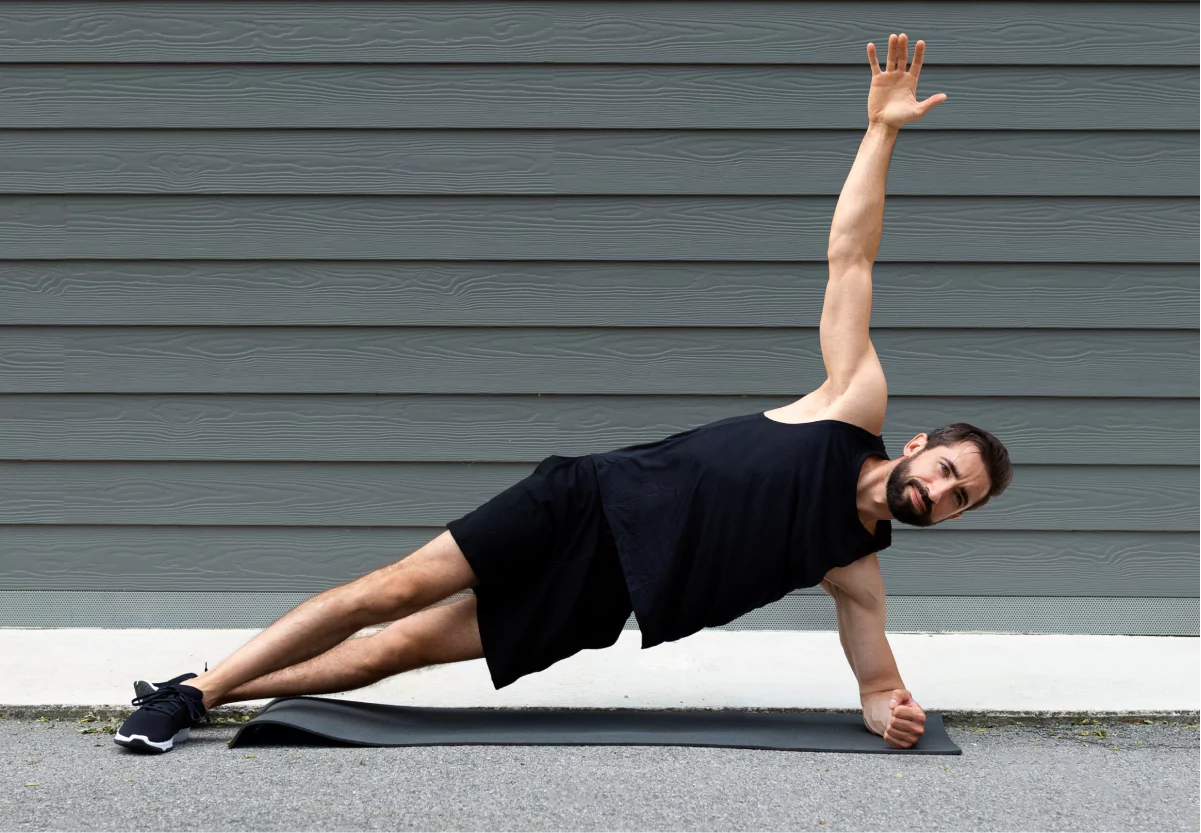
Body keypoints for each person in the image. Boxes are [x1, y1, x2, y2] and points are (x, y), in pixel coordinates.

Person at [116, 33, 1011, 754]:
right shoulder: (848, 404)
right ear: (918, 445)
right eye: (943, 470)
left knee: (396, 650)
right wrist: (882, 131)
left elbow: (876, 687)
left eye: (955, 498)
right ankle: (196, 695)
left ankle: (207, 685)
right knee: (384, 592)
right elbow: (850, 257)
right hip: (581, 500)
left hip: (601, 594)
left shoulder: (851, 568)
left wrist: (887, 714)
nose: (936, 493)